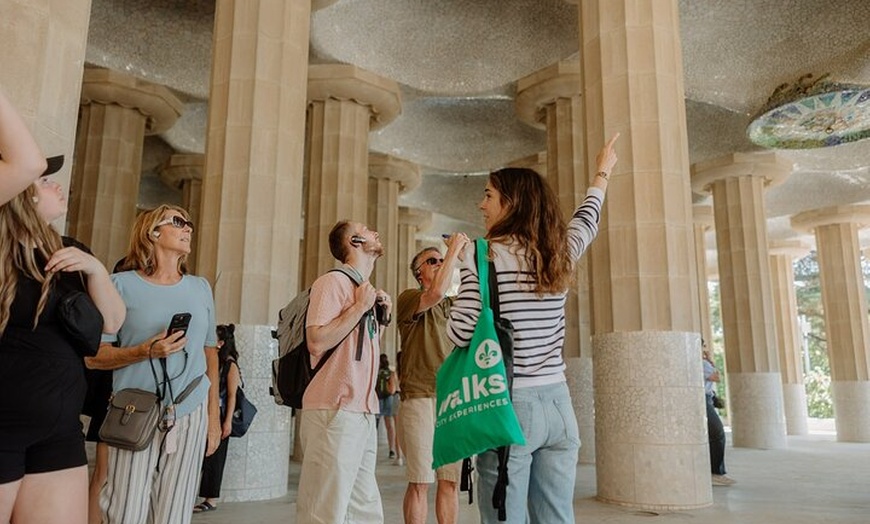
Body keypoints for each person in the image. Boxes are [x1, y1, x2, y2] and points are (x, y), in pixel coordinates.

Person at [447, 134, 619, 524]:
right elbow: (587, 220)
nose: (481, 204)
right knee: (557, 517)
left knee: (504, 517)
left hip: (509, 406)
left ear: (511, 203)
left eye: (488, 196)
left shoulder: (482, 257)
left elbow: (459, 334)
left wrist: (458, 271)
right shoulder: (558, 252)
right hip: (559, 405)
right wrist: (602, 172)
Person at [0, 88, 126, 524]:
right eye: (43, 180)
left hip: (58, 431)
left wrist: (96, 270)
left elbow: (113, 323)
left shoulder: (72, 252)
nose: (54, 181)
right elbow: (28, 162)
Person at [85, 204, 221, 524]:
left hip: (190, 409)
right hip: (133, 409)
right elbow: (94, 357)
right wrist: (143, 351)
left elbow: (210, 353)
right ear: (153, 232)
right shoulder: (119, 285)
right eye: (178, 221)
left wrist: (213, 418)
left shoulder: (201, 287)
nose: (188, 228)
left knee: (175, 512)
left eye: (189, 222)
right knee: (125, 509)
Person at [296, 220, 392, 524]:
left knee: (364, 510)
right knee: (324, 510)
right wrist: (359, 308)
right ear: (354, 241)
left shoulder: (362, 291)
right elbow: (316, 341)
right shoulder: (332, 282)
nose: (375, 231)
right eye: (366, 229)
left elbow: (358, 352)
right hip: (334, 409)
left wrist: (380, 317)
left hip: (361, 412)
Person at [396, 234, 469, 524]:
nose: (439, 262)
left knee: (449, 481)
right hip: (419, 397)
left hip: (452, 398)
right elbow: (435, 293)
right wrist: (453, 249)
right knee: (420, 481)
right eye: (432, 260)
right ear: (419, 273)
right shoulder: (409, 298)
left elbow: (482, 295)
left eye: (441, 259)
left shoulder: (453, 304)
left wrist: (464, 258)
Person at [193, 323, 242, 513]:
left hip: (220, 415)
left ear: (221, 342)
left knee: (215, 459)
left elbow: (232, 395)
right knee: (202, 456)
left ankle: (211, 499)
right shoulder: (212, 361)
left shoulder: (230, 365)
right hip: (205, 411)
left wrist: (227, 422)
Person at [703, 341, 734, 486]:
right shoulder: (702, 364)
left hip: (707, 398)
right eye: (703, 346)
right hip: (703, 399)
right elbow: (717, 377)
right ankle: (715, 473)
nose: (705, 349)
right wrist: (709, 361)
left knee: (714, 434)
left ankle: (714, 471)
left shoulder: (704, 363)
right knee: (717, 432)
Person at [376, 353, 400, 460]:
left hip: (377, 399)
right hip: (388, 398)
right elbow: (392, 389)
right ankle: (392, 450)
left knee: (375, 426)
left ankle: (372, 448)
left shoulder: (376, 372)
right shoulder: (390, 372)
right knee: (390, 425)